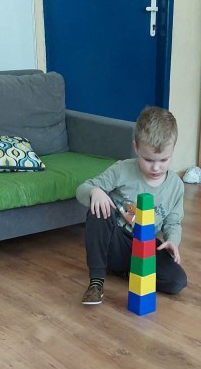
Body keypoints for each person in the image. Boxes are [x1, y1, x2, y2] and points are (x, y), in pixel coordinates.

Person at [76, 105, 187, 305]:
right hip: (117, 241)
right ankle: (96, 282)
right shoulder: (122, 170)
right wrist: (95, 192)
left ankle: (129, 271)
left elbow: (173, 222)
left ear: (173, 151)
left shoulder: (176, 186)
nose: (156, 167)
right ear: (136, 148)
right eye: (148, 159)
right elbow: (83, 189)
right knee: (98, 209)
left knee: (177, 281)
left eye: (164, 160)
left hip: (145, 246)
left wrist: (172, 241)